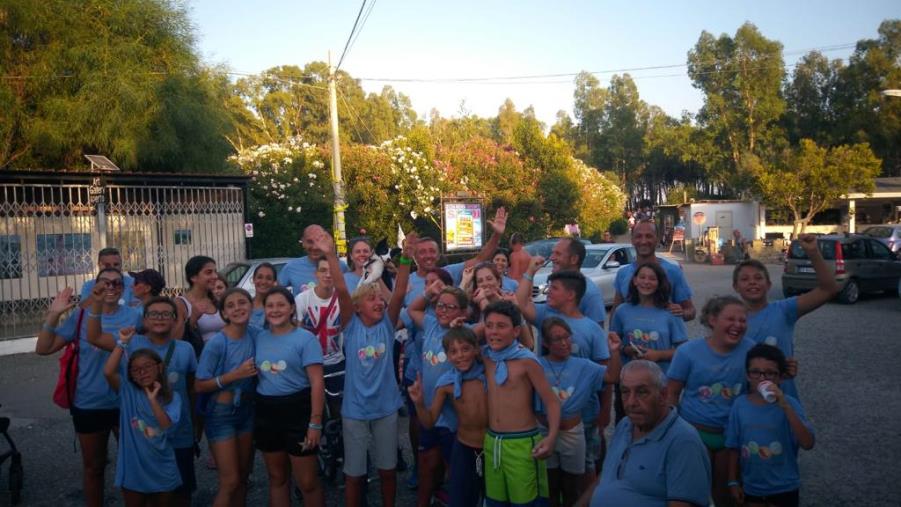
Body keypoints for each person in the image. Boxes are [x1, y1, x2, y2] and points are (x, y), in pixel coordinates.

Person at [35, 268, 143, 507]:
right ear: (95, 287)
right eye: (105, 283)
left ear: (123, 289)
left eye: (117, 283)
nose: (111, 288)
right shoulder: (81, 316)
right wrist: (53, 316)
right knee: (94, 467)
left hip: (127, 400)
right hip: (90, 401)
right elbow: (43, 348)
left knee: (133, 464)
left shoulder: (134, 316)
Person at [321, 229, 413, 507]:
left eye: (379, 299)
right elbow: (340, 288)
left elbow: (397, 295)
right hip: (355, 411)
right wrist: (329, 254)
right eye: (371, 299)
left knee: (387, 470)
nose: (379, 302)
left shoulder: (387, 324)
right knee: (355, 474)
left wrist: (407, 259)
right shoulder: (351, 327)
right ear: (357, 307)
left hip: (385, 408)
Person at [88, 297, 197, 507]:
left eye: (166, 314)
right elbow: (94, 337)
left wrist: (196, 426)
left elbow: (191, 389)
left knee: (181, 494)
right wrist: (96, 303)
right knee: (143, 491)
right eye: (153, 314)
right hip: (144, 438)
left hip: (178, 432)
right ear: (144, 319)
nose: (160, 318)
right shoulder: (132, 343)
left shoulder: (186, 349)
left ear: (175, 320)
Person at [516, 263, 610, 482]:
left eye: (554, 288)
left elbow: (605, 376)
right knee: (551, 473)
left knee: (585, 468)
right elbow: (520, 302)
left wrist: (605, 411)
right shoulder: (545, 316)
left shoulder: (592, 329)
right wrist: (529, 270)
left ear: (570, 294)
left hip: (583, 415)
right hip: (546, 416)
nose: (548, 291)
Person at [579, 360, 711, 507]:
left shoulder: (683, 441)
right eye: (625, 392)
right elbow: (605, 478)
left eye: (642, 392)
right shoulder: (625, 425)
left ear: (663, 395)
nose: (631, 402)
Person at [667, 295, 757, 505]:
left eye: (742, 320)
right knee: (693, 494)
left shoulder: (751, 350)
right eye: (730, 319)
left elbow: (757, 391)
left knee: (725, 494)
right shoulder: (687, 352)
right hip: (695, 433)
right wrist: (671, 432)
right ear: (713, 320)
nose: (737, 325)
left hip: (732, 436)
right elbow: (671, 393)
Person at [733, 233, 838, 399]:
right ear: (736, 287)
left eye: (758, 278)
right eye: (745, 279)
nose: (752, 282)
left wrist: (813, 253)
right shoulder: (730, 319)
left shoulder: (784, 309)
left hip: (781, 396)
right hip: (743, 399)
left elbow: (828, 289)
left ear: (768, 285)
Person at [481, 300, 560, 507]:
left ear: (516, 331)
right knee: (496, 501)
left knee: (525, 502)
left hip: (522, 443)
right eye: (489, 325)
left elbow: (551, 401)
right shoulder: (486, 356)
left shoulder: (527, 361)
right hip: (493, 441)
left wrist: (551, 438)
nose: (493, 332)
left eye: (501, 326)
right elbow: (460, 341)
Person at [253, 287, 325, 507]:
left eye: (281, 305)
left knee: (307, 481)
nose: (275, 310)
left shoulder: (305, 339)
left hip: (298, 411)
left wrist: (315, 422)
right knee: (277, 478)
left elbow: (317, 382)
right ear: (264, 310)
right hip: (267, 411)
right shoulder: (259, 337)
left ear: (292, 308)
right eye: (270, 306)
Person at [538, 317, 621, 507]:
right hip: (544, 431)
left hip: (573, 433)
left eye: (567, 337)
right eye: (557, 339)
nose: (565, 343)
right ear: (545, 343)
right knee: (550, 484)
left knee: (572, 485)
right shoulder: (537, 365)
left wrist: (614, 353)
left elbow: (612, 376)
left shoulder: (584, 365)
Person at [408, 326, 488, 507]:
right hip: (463, 448)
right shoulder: (446, 384)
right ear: (447, 355)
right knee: (461, 498)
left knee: (492, 496)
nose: (460, 355)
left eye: (465, 349)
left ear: (476, 349)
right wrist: (419, 403)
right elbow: (429, 422)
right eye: (453, 351)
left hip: (491, 447)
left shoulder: (488, 373)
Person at [406, 283, 471, 507]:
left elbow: (483, 329)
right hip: (428, 410)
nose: (442, 310)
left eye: (450, 307)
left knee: (454, 467)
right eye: (440, 305)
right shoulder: (431, 324)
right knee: (426, 463)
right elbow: (412, 310)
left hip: (452, 417)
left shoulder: (463, 332)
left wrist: (460, 325)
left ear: (462, 312)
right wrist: (428, 294)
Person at [726, 344, 815, 507]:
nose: (762, 378)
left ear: (780, 377)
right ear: (747, 375)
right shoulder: (739, 405)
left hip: (785, 487)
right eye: (756, 372)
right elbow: (733, 446)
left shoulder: (790, 404)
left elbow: (808, 443)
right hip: (751, 489)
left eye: (770, 373)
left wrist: (785, 405)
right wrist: (733, 481)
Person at [195, 288, 258, 507]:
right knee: (229, 481)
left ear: (251, 306)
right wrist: (234, 375)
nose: (238, 308)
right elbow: (200, 385)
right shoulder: (217, 343)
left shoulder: (255, 334)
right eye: (230, 305)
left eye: (242, 302)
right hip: (221, 414)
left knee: (242, 477)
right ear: (224, 313)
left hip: (247, 412)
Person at [103, 342, 183, 505]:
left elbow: (167, 426)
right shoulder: (128, 391)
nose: (142, 372)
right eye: (136, 370)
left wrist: (153, 400)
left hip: (162, 465)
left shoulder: (173, 398)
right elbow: (108, 371)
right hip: (133, 467)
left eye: (147, 366)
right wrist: (121, 343)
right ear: (131, 375)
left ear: (159, 367)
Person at [610, 262, 689, 424]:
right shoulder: (622, 311)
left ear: (659, 283)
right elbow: (615, 343)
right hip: (629, 382)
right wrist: (626, 350)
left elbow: (684, 351)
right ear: (634, 281)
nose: (646, 282)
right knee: (628, 425)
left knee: (660, 425)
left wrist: (658, 355)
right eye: (642, 277)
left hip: (659, 382)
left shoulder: (670, 312)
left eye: (652, 279)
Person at [405, 207, 508, 302]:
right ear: (415, 256)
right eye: (422, 252)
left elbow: (479, 260)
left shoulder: (449, 272)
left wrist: (497, 234)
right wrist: (404, 258)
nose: (428, 255)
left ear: (438, 255)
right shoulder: (406, 281)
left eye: (432, 251)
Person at [612, 220, 696, 322]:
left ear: (657, 239)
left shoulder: (673, 271)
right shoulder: (623, 273)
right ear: (632, 240)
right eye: (639, 236)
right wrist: (612, 334)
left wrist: (680, 312)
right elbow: (616, 311)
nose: (643, 241)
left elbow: (690, 311)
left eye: (649, 236)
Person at [295, 257, 345, 417]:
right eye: (323, 270)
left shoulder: (343, 299)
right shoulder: (302, 299)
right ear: (316, 274)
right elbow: (298, 334)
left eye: (332, 271)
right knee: (313, 411)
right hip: (310, 364)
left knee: (338, 410)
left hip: (336, 362)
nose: (328, 275)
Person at [278, 224, 348, 295]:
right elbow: (276, 294)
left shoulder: (341, 266)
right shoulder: (291, 267)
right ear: (303, 242)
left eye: (319, 241)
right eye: (310, 242)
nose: (315, 247)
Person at [175, 255, 225, 344]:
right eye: (209, 272)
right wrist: (193, 319)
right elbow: (176, 339)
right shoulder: (181, 303)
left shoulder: (217, 300)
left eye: (215, 272)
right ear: (193, 277)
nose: (215, 276)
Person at [249, 262, 277, 328]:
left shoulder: (276, 309)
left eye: (268, 278)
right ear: (253, 279)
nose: (264, 282)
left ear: (274, 282)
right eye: (260, 277)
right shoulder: (244, 305)